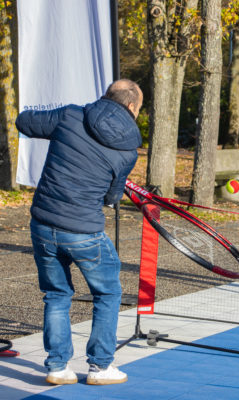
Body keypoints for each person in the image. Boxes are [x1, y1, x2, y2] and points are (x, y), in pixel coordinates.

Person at [15, 79, 143, 385]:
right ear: (130, 107)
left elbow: (24, 121)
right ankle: (100, 367)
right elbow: (111, 199)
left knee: (57, 294)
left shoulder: (70, 115)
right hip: (84, 230)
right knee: (108, 292)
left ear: (106, 97)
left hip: (44, 225)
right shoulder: (129, 151)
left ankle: (57, 367)